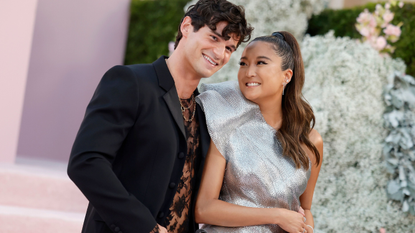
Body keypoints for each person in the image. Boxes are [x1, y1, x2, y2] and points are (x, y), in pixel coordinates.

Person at [67, 0, 253, 232]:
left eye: (229, 48)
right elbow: (86, 163)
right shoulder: (129, 82)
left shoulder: (207, 110)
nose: (220, 53)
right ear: (186, 26)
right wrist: (145, 227)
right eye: (214, 37)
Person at [194, 31, 323, 233]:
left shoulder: (311, 141)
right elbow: (204, 209)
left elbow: (305, 208)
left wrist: (306, 228)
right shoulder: (226, 121)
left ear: (286, 76)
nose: (249, 72)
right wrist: (277, 215)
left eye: (261, 63)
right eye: (244, 63)